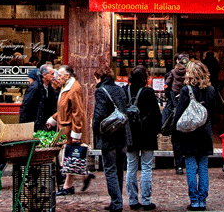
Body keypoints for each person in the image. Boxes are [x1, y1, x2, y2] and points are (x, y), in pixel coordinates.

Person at [173, 61, 216, 212]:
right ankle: (202, 200)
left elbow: (179, 113)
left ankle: (194, 200)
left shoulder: (186, 90)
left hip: (189, 133)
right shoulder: (210, 90)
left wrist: (175, 132)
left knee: (191, 167)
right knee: (203, 167)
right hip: (205, 133)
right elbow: (213, 112)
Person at [47, 65, 93, 195]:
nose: (58, 78)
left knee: (68, 157)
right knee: (69, 157)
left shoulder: (74, 89)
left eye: (60, 75)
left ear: (67, 76)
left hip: (69, 130)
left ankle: (68, 186)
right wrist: (53, 119)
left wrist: (76, 133)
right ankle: (84, 175)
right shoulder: (66, 88)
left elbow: (77, 112)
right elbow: (64, 109)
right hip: (65, 128)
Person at [92, 65, 130, 212]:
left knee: (110, 169)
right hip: (122, 134)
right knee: (119, 169)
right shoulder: (120, 90)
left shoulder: (101, 91)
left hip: (108, 135)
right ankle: (117, 200)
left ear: (99, 77)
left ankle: (116, 202)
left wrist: (96, 129)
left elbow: (99, 114)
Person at [125, 66, 160, 211]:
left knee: (131, 167)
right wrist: (157, 130)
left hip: (130, 134)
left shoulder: (124, 91)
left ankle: (132, 200)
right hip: (147, 134)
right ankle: (146, 200)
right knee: (146, 167)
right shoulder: (149, 92)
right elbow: (157, 115)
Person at [164, 53, 188, 174]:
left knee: (176, 138)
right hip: (186, 109)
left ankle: (178, 165)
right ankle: (188, 163)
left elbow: (166, 88)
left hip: (175, 107)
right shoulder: (189, 75)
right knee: (186, 137)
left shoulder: (171, 73)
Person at [19, 64, 57, 130]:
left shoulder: (49, 88)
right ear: (44, 75)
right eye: (52, 74)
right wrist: (23, 126)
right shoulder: (35, 87)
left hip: (44, 124)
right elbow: (25, 106)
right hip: (33, 124)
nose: (54, 76)